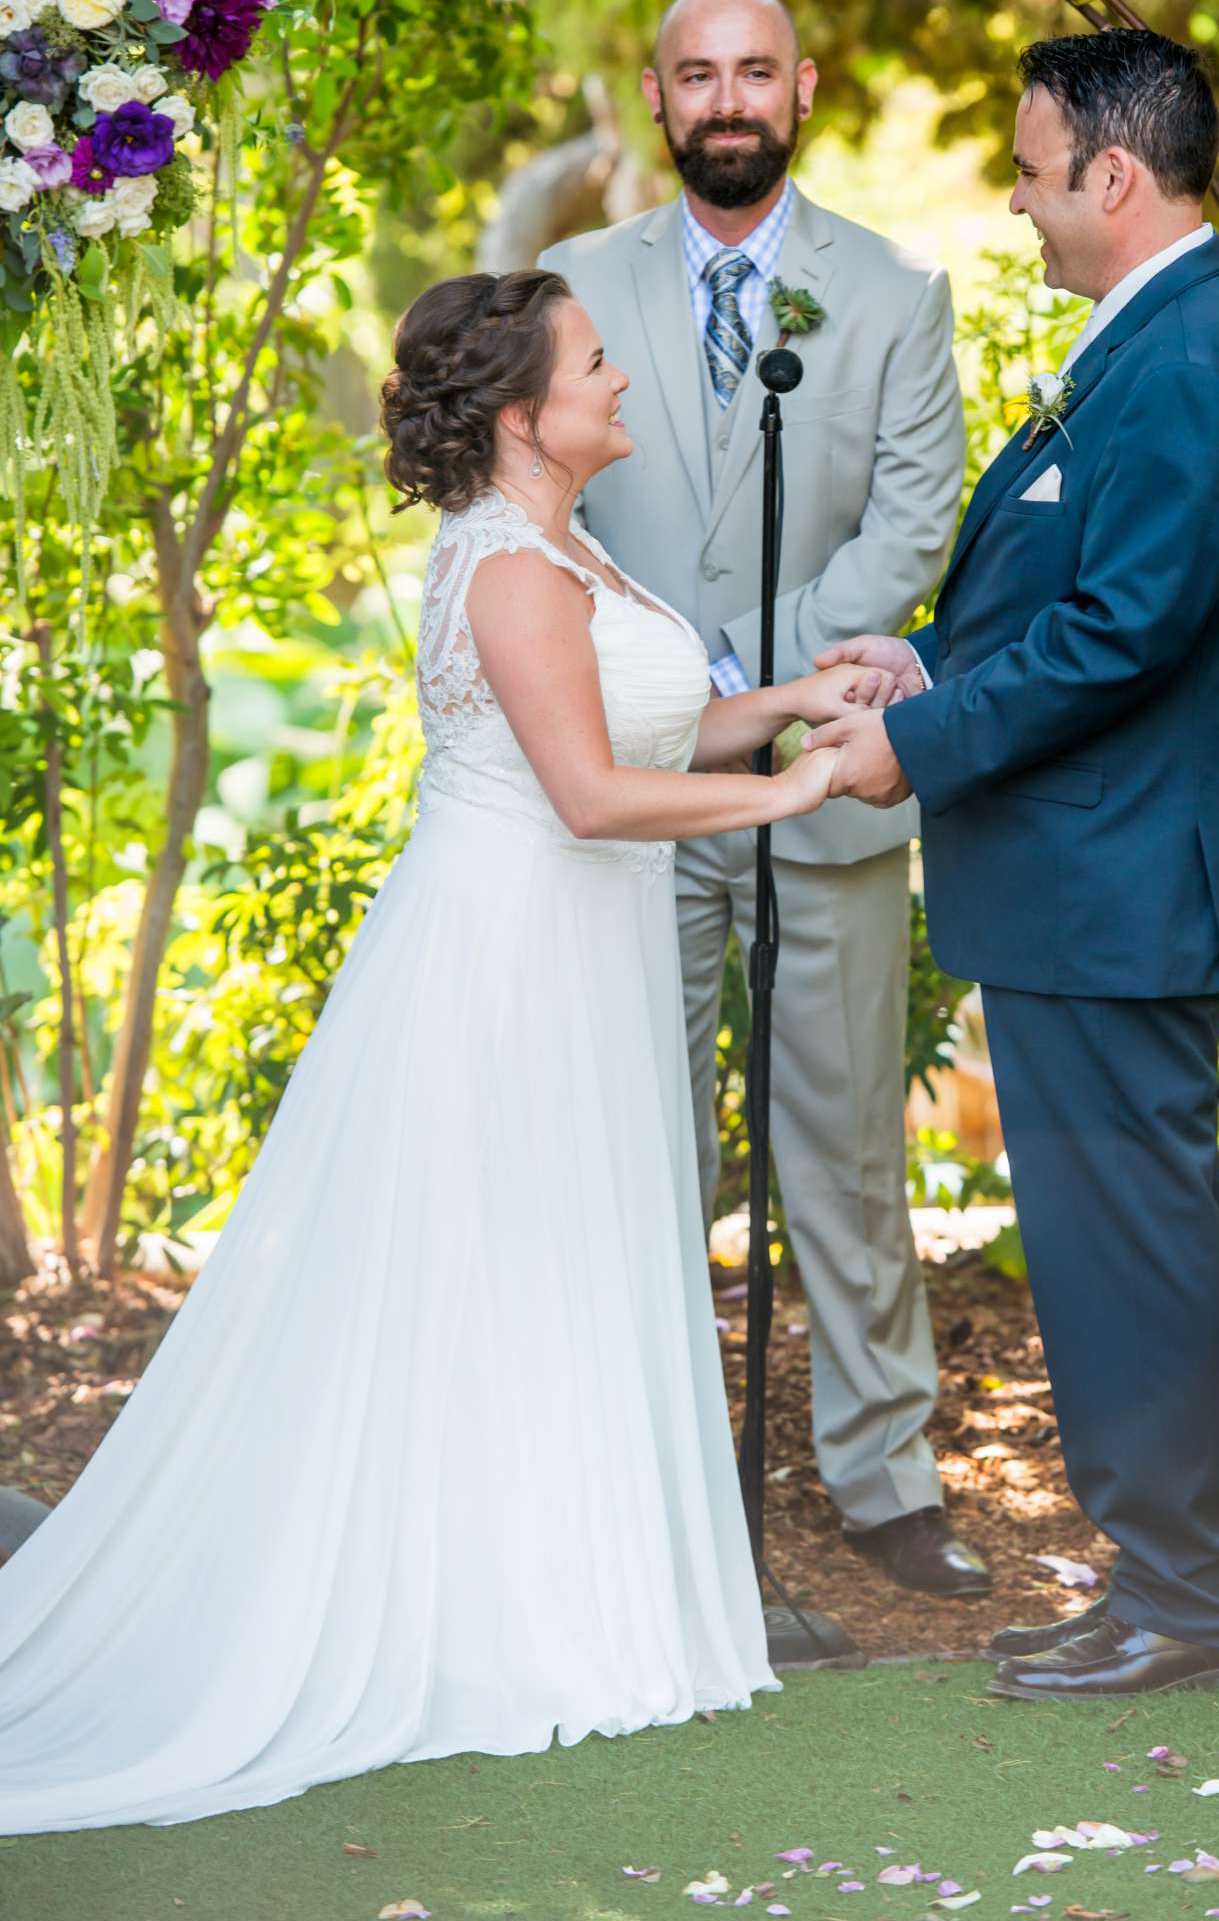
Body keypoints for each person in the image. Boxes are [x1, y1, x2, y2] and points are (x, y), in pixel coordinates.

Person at [0, 267, 893, 1834]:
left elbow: (653, 729)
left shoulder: (562, 548)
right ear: (517, 413)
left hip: (577, 954)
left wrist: (801, 698)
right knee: (478, 1272)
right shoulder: (510, 567)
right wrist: (796, 791)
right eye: (597, 363)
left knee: (550, 1268)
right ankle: (464, 1620)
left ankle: (537, 1592)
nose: (620, 381)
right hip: (506, 958)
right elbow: (593, 795)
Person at [809, 29, 1219, 1698]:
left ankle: (1188, 1609)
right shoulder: (1144, 340)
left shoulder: (1186, 354)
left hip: (1119, 890)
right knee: (1101, 1254)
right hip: (1083, 888)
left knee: (1132, 1253)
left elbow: (1125, 634)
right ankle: (1151, 1581)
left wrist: (917, 746)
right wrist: (930, 664)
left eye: (1028, 171)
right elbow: (1065, 599)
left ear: (1111, 173)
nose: (1013, 202)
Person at [541, 0, 989, 1602]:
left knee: (846, 1143)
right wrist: (680, 693)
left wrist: (746, 677)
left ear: (801, 88)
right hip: (634, 784)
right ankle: (635, 1462)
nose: (726, 100)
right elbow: (543, 524)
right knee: (632, 1130)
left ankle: (884, 1474)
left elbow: (910, 534)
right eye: (694, 75)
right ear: (655, 99)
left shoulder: (891, 291)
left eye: (753, 72)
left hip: (823, 774)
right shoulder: (570, 285)